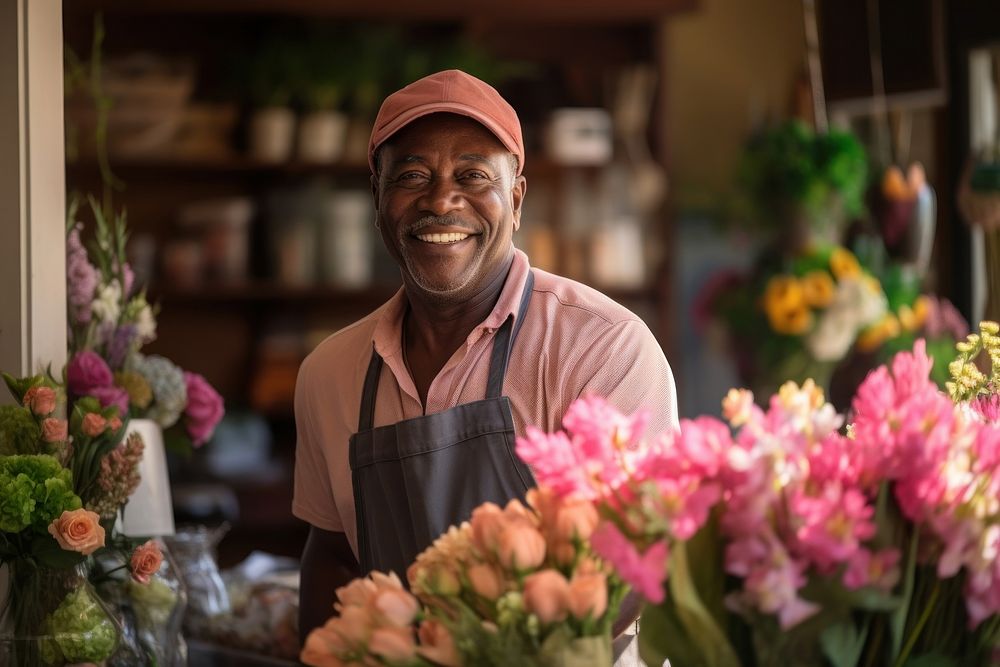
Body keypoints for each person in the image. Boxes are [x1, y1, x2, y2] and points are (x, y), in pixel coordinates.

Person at [293, 69, 678, 663]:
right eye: (412, 176)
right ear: (377, 199)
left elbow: (639, 574)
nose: (441, 200)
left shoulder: (601, 350)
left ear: (517, 199)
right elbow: (336, 555)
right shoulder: (329, 372)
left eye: (473, 175)